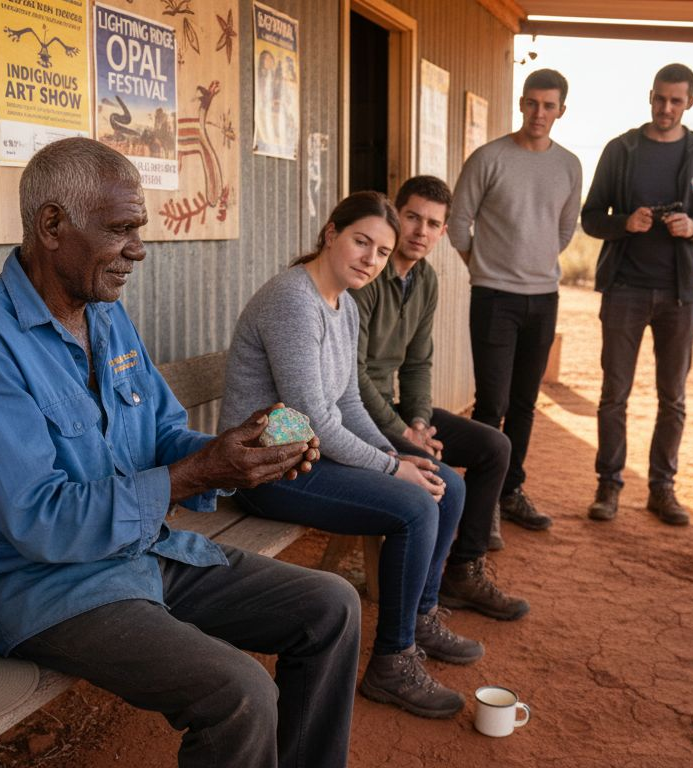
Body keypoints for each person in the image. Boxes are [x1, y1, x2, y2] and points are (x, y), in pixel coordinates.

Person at [0, 137, 361, 767]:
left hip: (141, 554)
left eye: (139, 229)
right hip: (47, 592)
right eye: (121, 229)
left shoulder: (105, 316)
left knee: (330, 607)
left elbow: (163, 437)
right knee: (240, 692)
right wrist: (196, 473)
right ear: (51, 225)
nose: (138, 250)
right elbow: (40, 521)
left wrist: (241, 454)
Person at [220, 191, 476, 720]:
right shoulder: (294, 300)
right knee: (415, 504)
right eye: (362, 242)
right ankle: (392, 662)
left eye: (382, 252)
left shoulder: (345, 307)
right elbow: (312, 416)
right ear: (331, 233)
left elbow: (347, 401)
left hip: (308, 452)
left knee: (445, 482)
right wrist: (391, 466)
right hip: (265, 466)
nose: (371, 259)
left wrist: (396, 453)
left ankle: (421, 616)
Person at [351, 175, 528, 621]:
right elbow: (351, 378)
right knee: (446, 481)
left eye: (432, 224)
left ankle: (463, 572)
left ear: (444, 231)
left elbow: (417, 364)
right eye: (412, 217)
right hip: (358, 415)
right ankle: (417, 608)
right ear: (396, 214)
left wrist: (421, 421)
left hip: (393, 412)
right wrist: (403, 433)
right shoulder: (368, 274)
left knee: (494, 446)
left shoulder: (426, 281)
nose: (420, 232)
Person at [580, 63, 693, 526]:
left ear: (690, 102)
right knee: (614, 394)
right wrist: (623, 223)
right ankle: (608, 486)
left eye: (676, 100)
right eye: (660, 98)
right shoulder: (620, 149)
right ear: (650, 96)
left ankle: (662, 489)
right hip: (624, 289)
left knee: (674, 398)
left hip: (680, 295)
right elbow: (591, 217)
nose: (666, 108)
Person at [448, 67, 583, 533]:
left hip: (544, 297)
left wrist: (534, 265)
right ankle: (480, 510)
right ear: (521, 104)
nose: (539, 113)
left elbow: (565, 229)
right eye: (532, 103)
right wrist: (483, 269)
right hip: (494, 297)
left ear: (561, 111)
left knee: (526, 402)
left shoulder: (568, 165)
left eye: (549, 105)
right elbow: (458, 222)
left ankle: (511, 491)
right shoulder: (489, 158)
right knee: (492, 403)